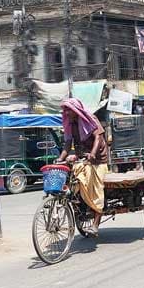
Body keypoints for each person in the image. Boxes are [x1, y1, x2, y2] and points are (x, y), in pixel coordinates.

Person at [58, 98, 108, 236]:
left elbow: (98, 138)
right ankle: (82, 206)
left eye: (68, 109)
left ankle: (96, 224)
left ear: (76, 110)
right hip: (83, 158)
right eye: (65, 110)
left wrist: (92, 154)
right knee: (74, 180)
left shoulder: (90, 118)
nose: (66, 113)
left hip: (98, 159)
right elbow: (68, 144)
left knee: (95, 186)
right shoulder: (70, 124)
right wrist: (60, 159)